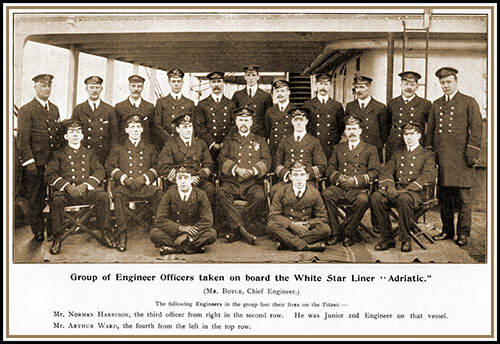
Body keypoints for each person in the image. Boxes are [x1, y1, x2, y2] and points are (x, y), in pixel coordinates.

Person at [425, 67, 483, 247]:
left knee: (464, 199)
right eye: (442, 83)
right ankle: (447, 230)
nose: (445, 86)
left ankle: (463, 233)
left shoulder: (468, 101)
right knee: (444, 198)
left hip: (462, 159)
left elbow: (477, 129)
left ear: (456, 82)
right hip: (442, 159)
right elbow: (431, 132)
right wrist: (430, 156)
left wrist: (471, 154)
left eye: (449, 82)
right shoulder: (436, 104)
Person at [44, 119, 114, 255]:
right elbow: (49, 174)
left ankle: (105, 232)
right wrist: (67, 187)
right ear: (66, 136)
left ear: (82, 135)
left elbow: (100, 171)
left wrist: (86, 186)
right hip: (66, 192)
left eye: (78, 132)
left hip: (86, 191)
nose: (75, 134)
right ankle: (57, 237)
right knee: (56, 200)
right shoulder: (58, 154)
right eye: (71, 132)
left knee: (103, 196)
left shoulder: (89, 153)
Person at [372, 121, 437, 252]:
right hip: (397, 189)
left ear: (419, 136)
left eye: (412, 134)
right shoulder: (398, 153)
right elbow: (386, 170)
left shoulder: (427, 154)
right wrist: (390, 186)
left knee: (404, 199)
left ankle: (405, 239)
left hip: (416, 192)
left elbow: (429, 174)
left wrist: (407, 189)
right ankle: (387, 237)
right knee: (376, 197)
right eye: (406, 134)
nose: (408, 137)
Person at [105, 114, 163, 252]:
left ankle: (159, 232)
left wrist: (144, 178)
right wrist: (124, 178)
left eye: (138, 127)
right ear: (126, 130)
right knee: (117, 195)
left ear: (142, 130)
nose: (135, 130)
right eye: (132, 127)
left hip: (144, 186)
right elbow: (109, 166)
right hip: (126, 186)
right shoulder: (118, 148)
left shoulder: (150, 148)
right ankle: (122, 233)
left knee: (159, 194)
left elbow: (157, 167)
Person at [16, 73, 63, 241]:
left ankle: (53, 228)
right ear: (35, 87)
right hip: (36, 163)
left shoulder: (55, 109)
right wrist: (29, 163)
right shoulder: (26, 110)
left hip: (53, 162)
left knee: (54, 196)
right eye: (43, 86)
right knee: (35, 197)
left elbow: (56, 136)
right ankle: (37, 229)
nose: (46, 89)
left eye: (49, 86)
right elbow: (22, 140)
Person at [322, 115, 380, 247]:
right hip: (341, 187)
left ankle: (349, 233)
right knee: (326, 194)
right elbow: (330, 168)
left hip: (359, 189)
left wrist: (355, 180)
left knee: (363, 200)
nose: (352, 132)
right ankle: (335, 233)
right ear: (345, 131)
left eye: (354, 129)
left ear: (360, 131)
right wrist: (339, 178)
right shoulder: (338, 148)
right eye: (349, 129)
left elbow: (374, 172)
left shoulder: (370, 149)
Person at [217, 107, 272, 245]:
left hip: (252, 182)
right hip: (232, 181)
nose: (243, 123)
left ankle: (236, 229)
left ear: (251, 122)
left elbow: (267, 160)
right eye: (241, 120)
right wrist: (236, 169)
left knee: (260, 197)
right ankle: (243, 230)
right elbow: (221, 158)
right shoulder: (229, 140)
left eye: (246, 120)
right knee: (221, 194)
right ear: (236, 122)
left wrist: (253, 170)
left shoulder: (260, 140)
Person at [150, 166, 217, 255]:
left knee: (212, 234)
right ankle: (192, 248)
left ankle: (174, 248)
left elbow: (207, 220)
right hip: (174, 232)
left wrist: (187, 235)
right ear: (176, 180)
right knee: (154, 233)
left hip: (193, 233)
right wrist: (180, 228)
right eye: (179, 178)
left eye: (186, 177)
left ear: (191, 179)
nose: (183, 181)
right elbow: (160, 219)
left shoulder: (201, 195)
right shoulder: (169, 194)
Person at [266, 161, 330, 252]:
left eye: (302, 175)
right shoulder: (282, 191)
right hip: (288, 228)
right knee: (271, 226)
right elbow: (273, 215)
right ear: (291, 177)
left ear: (307, 176)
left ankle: (287, 243)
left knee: (326, 229)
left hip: (306, 228)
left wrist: (308, 225)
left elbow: (323, 217)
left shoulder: (314, 192)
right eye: (295, 175)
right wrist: (292, 225)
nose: (299, 179)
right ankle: (306, 246)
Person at [158, 113, 215, 208]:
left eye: (190, 126)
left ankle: (206, 220)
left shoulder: (201, 144)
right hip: (178, 181)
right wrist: (184, 179)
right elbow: (163, 167)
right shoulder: (170, 144)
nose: (188, 130)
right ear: (178, 129)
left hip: (196, 180)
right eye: (184, 127)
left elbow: (208, 164)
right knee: (172, 193)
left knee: (210, 189)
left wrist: (198, 176)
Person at [271, 107, 327, 199]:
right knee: (274, 190)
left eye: (301, 120)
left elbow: (322, 165)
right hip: (288, 180)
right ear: (292, 121)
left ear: (306, 121)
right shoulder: (285, 140)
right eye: (296, 120)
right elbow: (277, 163)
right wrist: (287, 174)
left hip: (306, 181)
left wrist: (304, 174)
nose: (298, 123)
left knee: (311, 194)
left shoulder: (314, 141)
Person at [71, 75, 118, 166]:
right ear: (86, 89)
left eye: (97, 87)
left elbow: (114, 136)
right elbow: (73, 134)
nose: (94, 90)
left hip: (103, 156)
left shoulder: (109, 110)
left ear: (101, 89)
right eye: (91, 87)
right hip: (83, 155)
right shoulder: (78, 109)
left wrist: (112, 158)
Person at [386, 71, 432, 162]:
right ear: (401, 85)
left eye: (412, 84)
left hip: (416, 147)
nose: (408, 87)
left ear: (417, 86)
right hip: (395, 146)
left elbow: (430, 127)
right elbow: (386, 126)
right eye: (406, 84)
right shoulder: (392, 103)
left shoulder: (425, 104)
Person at [195, 71, 236, 169]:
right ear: (209, 84)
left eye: (219, 81)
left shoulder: (231, 104)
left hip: (226, 146)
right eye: (213, 82)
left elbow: (234, 125)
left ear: (223, 83)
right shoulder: (202, 104)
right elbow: (199, 126)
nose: (216, 85)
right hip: (208, 146)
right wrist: (212, 143)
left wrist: (224, 142)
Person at [344, 75, 390, 163]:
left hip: (374, 148)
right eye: (356, 87)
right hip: (355, 148)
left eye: (361, 87)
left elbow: (385, 131)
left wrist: (377, 145)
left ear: (369, 88)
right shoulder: (350, 106)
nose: (358, 90)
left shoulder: (380, 107)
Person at [303, 73, 345, 158]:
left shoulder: (337, 105)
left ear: (330, 86)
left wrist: (334, 140)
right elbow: (305, 126)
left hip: (331, 147)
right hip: (312, 147)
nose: (323, 87)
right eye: (321, 84)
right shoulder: (308, 105)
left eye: (326, 84)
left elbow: (341, 126)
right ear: (316, 85)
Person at [153, 68, 196, 152]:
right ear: (169, 82)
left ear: (182, 83)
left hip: (184, 146)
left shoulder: (189, 103)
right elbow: (157, 124)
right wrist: (170, 141)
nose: (176, 84)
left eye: (178, 81)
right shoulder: (161, 102)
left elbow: (193, 126)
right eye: (173, 81)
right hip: (165, 144)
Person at [231, 64, 273, 137]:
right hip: (242, 133)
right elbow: (233, 116)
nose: (251, 78)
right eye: (248, 75)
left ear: (258, 77)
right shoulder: (237, 95)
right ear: (245, 77)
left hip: (259, 134)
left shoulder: (265, 96)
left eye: (253, 75)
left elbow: (268, 119)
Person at [114, 74, 155, 145]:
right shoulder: (119, 107)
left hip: (144, 147)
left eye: (139, 86)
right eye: (133, 86)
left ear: (142, 88)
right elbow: (116, 131)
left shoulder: (149, 107)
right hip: (124, 147)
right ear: (129, 87)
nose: (136, 89)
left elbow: (152, 130)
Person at [265, 79, 294, 156]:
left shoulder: (294, 110)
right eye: (277, 91)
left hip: (289, 150)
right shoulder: (270, 111)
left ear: (288, 92)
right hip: (274, 150)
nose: (279, 94)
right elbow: (268, 131)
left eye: (282, 91)